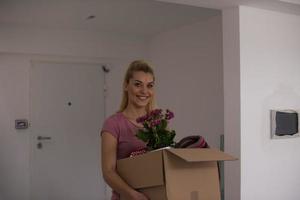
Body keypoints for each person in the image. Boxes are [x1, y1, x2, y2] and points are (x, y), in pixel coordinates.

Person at [101, 60, 156, 200]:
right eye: (138, 84)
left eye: (149, 86)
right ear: (126, 85)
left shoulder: (157, 125)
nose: (144, 91)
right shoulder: (113, 124)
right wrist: (133, 195)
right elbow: (108, 171)